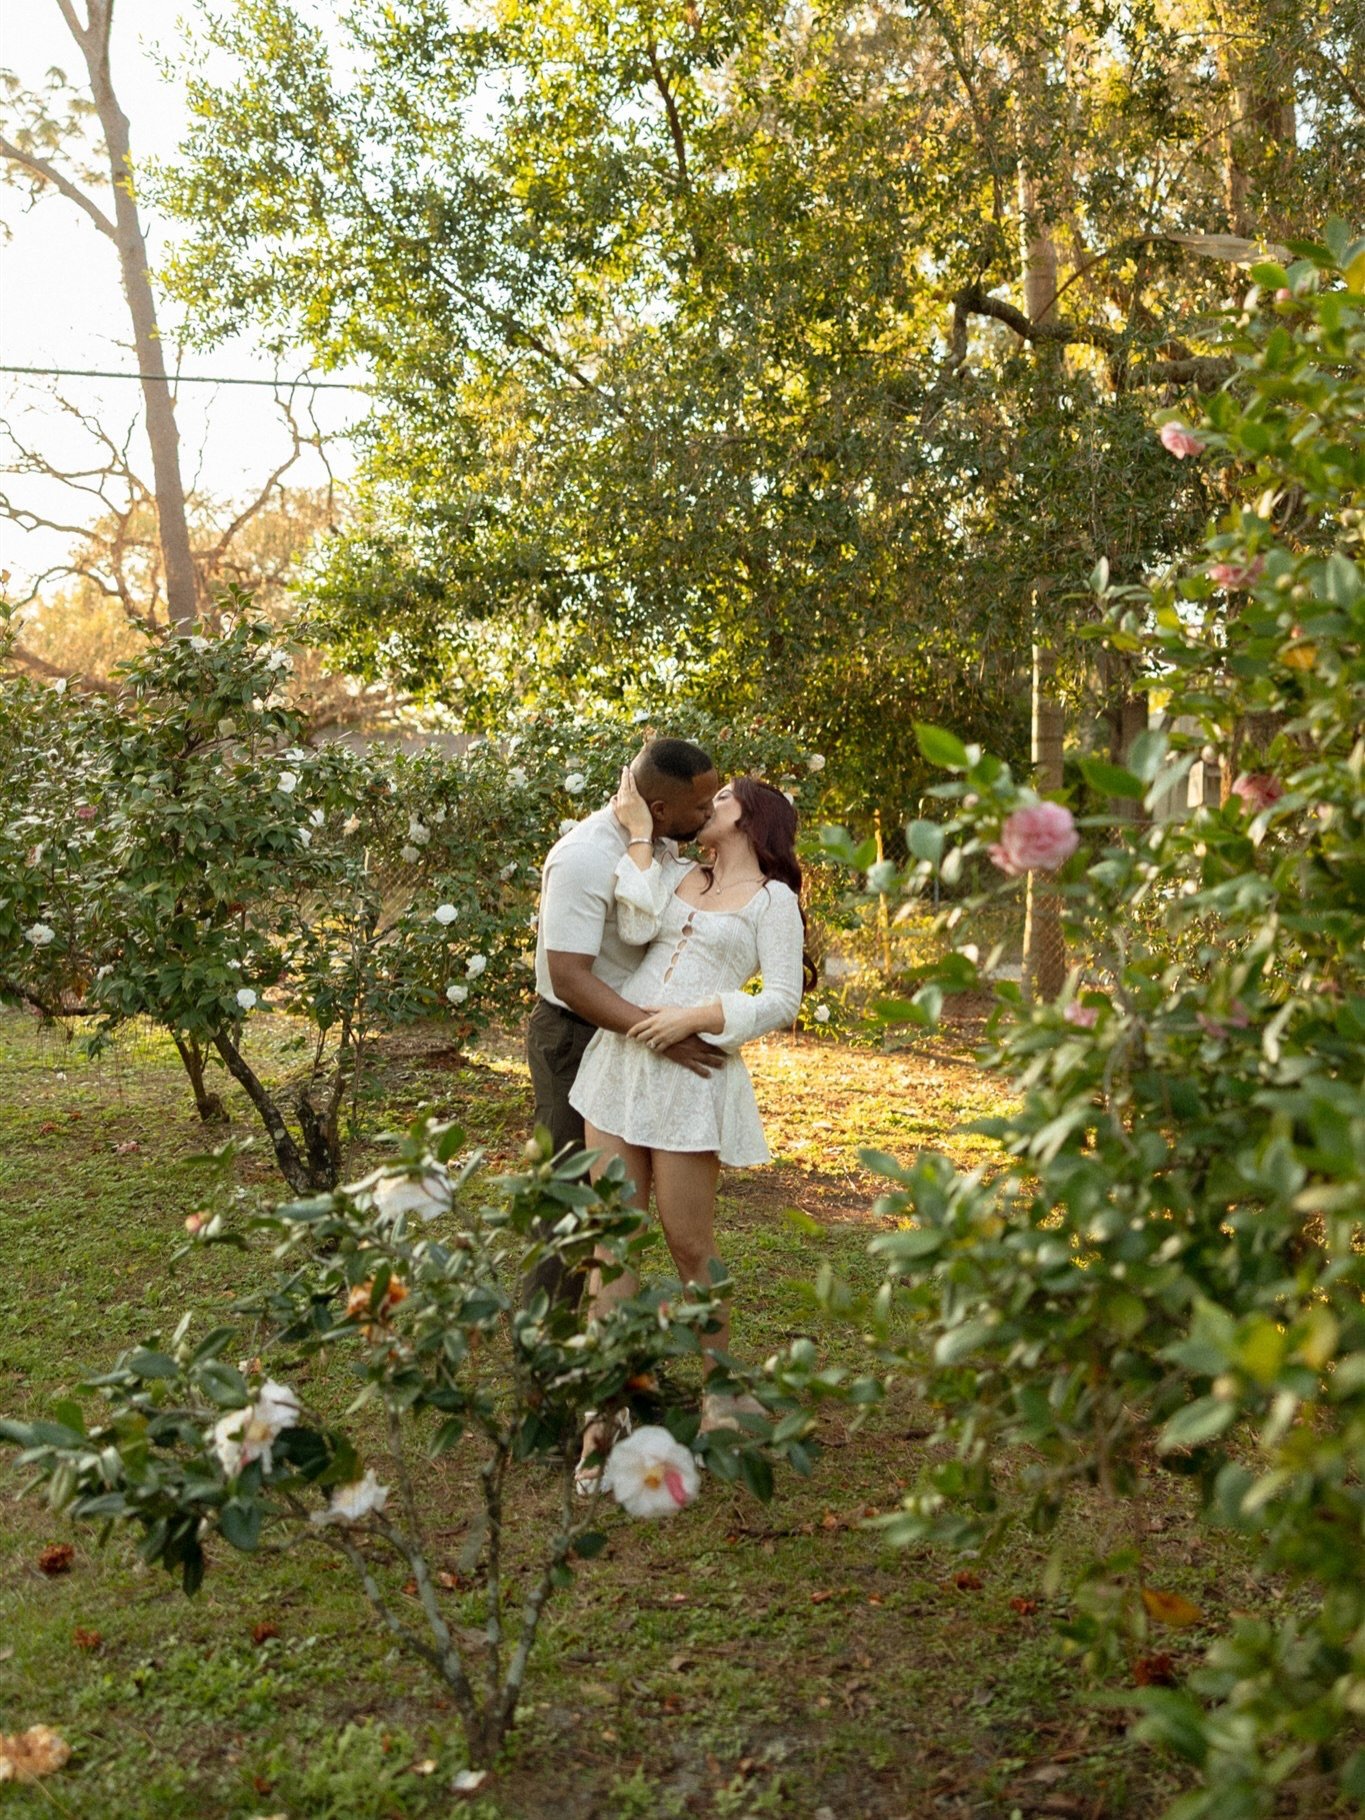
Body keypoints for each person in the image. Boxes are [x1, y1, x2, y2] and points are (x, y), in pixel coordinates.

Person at [569, 767, 811, 1478]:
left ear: (750, 818)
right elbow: (636, 924)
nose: (706, 807)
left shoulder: (773, 901)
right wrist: (642, 837)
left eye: (721, 799)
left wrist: (701, 1015)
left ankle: (721, 1391)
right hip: (621, 1062)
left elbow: (783, 999)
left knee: (688, 1245)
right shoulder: (677, 873)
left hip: (691, 1076)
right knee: (610, 1237)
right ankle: (605, 1406)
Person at [525, 737, 723, 1309]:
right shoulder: (584, 856)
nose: (708, 814)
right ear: (659, 808)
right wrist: (660, 1037)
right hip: (575, 1034)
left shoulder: (658, 842)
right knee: (569, 1206)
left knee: (618, 1211)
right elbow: (570, 978)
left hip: (629, 1035)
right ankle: (543, 1354)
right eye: (700, 807)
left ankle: (610, 1348)